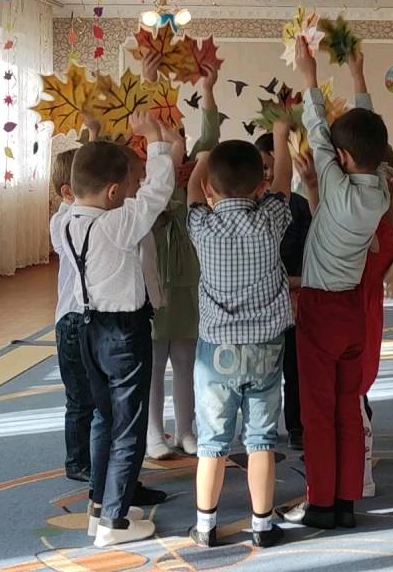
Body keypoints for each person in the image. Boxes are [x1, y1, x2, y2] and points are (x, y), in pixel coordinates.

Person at [283, 41, 391, 530]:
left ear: (342, 158)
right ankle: (345, 502)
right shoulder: (381, 188)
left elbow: (317, 131)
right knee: (347, 408)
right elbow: (365, 137)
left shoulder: (336, 184)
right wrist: (357, 76)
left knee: (317, 412)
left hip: (320, 312)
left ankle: (321, 503)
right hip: (352, 313)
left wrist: (309, 76)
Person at [60, 112, 177, 547]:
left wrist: (93, 140)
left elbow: (89, 182)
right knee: (129, 427)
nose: (132, 193)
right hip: (124, 334)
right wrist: (157, 142)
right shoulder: (117, 225)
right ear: (113, 192)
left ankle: (98, 505)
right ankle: (114, 521)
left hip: (87, 330)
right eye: (127, 187)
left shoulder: (62, 223)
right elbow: (157, 192)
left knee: (104, 418)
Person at [185, 122, 296, 549]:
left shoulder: (202, 226)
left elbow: (192, 193)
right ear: (260, 186)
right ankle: (262, 526)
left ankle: (205, 525)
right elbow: (284, 179)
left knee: (212, 442)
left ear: (210, 188)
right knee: (261, 439)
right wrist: (280, 138)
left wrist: (203, 158)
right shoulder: (271, 220)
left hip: (215, 353)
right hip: (265, 348)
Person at [145, 59, 222, 460]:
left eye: (177, 132)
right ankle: (153, 433)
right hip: (154, 280)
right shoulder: (145, 182)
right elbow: (142, 121)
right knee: (154, 359)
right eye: (164, 134)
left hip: (189, 278)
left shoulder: (193, 172)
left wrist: (207, 88)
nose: (173, 138)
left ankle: (186, 430)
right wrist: (148, 81)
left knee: (187, 358)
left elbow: (210, 135)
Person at [357, 144, 393, 497]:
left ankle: (360, 477)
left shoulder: (374, 233)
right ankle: (360, 474)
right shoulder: (390, 232)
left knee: (353, 406)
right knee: (358, 401)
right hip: (368, 319)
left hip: (356, 321)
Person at [255, 131, 314, 451]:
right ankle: (260, 427)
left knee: (295, 366)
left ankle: (297, 425)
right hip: (261, 304)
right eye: (263, 167)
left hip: (293, 301)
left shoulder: (301, 207)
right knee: (261, 370)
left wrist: (295, 282)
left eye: (274, 166)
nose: (268, 174)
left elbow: (309, 252)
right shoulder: (250, 209)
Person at [48, 145, 91, 483]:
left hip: (85, 318)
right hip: (72, 320)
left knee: (94, 396)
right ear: (68, 192)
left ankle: (92, 456)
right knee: (79, 399)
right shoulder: (62, 221)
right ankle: (77, 462)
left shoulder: (82, 214)